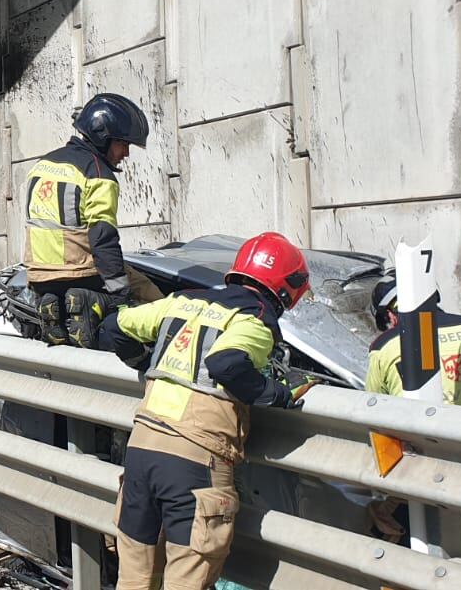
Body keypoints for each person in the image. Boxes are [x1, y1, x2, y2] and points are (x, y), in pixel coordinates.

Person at [97, 232, 313, 590]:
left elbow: (113, 327)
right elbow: (226, 363)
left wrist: (145, 362)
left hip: (142, 451)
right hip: (194, 462)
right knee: (187, 579)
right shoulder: (255, 319)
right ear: (287, 290)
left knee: (135, 578)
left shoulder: (182, 301)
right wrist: (276, 393)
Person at [364, 271, 461, 577]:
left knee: (397, 538)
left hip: (425, 470)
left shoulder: (385, 346)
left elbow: (376, 418)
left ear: (391, 315)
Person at [22, 93, 150, 348]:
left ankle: (56, 307)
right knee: (149, 295)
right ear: (103, 136)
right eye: (123, 144)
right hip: (81, 271)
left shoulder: (40, 165)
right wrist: (121, 293)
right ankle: (92, 303)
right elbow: (103, 239)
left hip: (38, 275)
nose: (125, 153)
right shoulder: (98, 174)